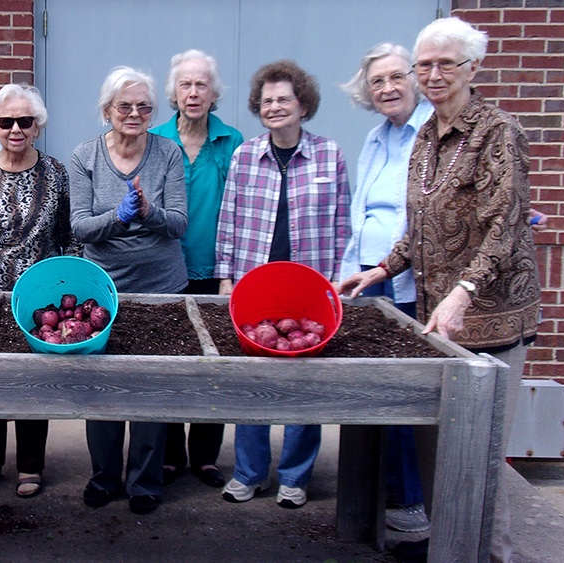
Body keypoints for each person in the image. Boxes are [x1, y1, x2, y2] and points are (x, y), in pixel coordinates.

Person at [340, 18, 540, 563]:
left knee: (480, 457)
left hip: (490, 317)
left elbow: (505, 225)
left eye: (444, 63)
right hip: (437, 315)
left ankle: (489, 554)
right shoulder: (426, 137)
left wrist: (464, 291)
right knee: (437, 446)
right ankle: (443, 544)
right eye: (422, 64)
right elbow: (421, 224)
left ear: (472, 67)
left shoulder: (497, 132)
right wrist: (381, 269)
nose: (431, 74)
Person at [216, 60, 350, 509]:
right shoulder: (244, 155)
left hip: (309, 287)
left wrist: (335, 283)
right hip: (256, 284)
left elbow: (341, 224)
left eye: (284, 99)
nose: (274, 107)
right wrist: (226, 278)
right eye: (267, 100)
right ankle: (249, 473)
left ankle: (294, 476)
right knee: (252, 379)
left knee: (303, 383)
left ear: (303, 104)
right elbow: (228, 221)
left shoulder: (329, 154)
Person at [69, 66, 187, 515]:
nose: (134, 114)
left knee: (151, 386)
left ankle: (145, 483)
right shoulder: (86, 156)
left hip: (161, 286)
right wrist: (119, 216)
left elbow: (178, 223)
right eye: (125, 106)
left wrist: (148, 210)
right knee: (102, 386)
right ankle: (103, 477)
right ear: (107, 111)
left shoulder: (168, 153)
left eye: (143, 107)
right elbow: (80, 226)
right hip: (104, 288)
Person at [0, 84, 82, 498]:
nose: (15, 128)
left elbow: (69, 235)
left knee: (34, 378)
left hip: (41, 292)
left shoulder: (55, 172)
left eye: (25, 121)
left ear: (37, 127)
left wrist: (71, 280)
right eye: (6, 120)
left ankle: (31, 465)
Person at [339, 43, 434, 534]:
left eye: (397, 77)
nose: (388, 88)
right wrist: (347, 275)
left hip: (412, 285)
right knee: (374, 391)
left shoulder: (432, 135)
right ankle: (382, 495)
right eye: (378, 81)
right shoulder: (377, 138)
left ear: (416, 79)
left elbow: (426, 220)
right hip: (370, 282)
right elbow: (361, 220)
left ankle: (410, 502)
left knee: (406, 395)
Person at [148, 49, 243, 490]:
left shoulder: (232, 142)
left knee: (213, 365)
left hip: (215, 269)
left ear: (214, 92)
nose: (193, 92)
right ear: (173, 91)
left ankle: (205, 455)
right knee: (168, 362)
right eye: (185, 84)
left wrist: (232, 272)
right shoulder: (156, 139)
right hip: (165, 269)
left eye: (201, 84)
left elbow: (242, 211)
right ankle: (169, 454)